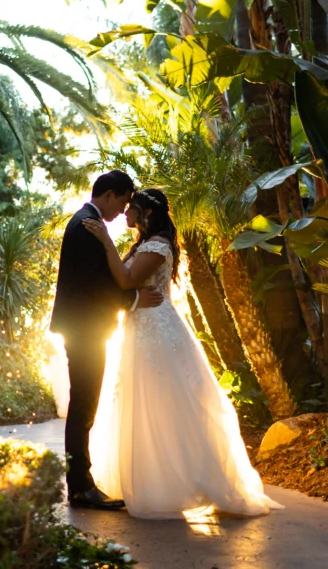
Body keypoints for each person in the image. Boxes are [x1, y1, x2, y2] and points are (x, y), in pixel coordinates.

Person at [82, 188, 282, 519]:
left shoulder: (158, 246)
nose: (126, 214)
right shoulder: (145, 244)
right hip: (139, 327)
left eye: (132, 208)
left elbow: (126, 279)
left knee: (166, 402)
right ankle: (152, 479)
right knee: (144, 403)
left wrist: (105, 241)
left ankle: (182, 484)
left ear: (146, 213)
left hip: (157, 330)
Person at [49, 170, 163, 510]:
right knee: (83, 405)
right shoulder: (87, 225)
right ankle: (80, 487)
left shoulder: (86, 221)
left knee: (84, 404)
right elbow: (94, 283)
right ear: (110, 195)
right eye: (125, 201)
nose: (123, 211)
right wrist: (132, 301)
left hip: (84, 328)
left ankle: (81, 484)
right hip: (84, 329)